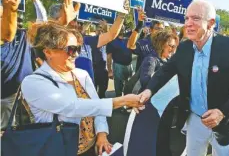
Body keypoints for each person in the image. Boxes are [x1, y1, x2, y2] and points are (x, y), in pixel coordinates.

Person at [137, 0, 229, 156]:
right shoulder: (184, 48)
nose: (188, 24)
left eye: (196, 18)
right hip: (194, 120)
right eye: (186, 19)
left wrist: (222, 112)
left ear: (211, 23)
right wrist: (148, 91)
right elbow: (165, 71)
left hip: (223, 122)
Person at [22, 23, 143, 156]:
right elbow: (73, 107)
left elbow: (96, 106)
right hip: (60, 149)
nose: (76, 55)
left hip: (91, 148)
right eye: (71, 49)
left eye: (78, 49)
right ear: (48, 52)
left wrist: (101, 133)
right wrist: (122, 101)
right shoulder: (33, 83)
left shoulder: (81, 74)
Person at [1, 0, 34, 130]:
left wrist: (35, 0)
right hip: (5, 100)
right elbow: (6, 34)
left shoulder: (23, 37)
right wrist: (10, 9)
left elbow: (45, 26)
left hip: (23, 97)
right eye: (1, 17)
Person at [106, 26, 133, 97]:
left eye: (122, 28)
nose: (121, 29)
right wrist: (109, 71)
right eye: (120, 27)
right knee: (118, 88)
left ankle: (128, 102)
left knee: (129, 86)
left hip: (129, 66)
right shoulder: (111, 41)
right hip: (118, 66)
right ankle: (120, 105)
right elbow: (109, 57)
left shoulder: (128, 39)